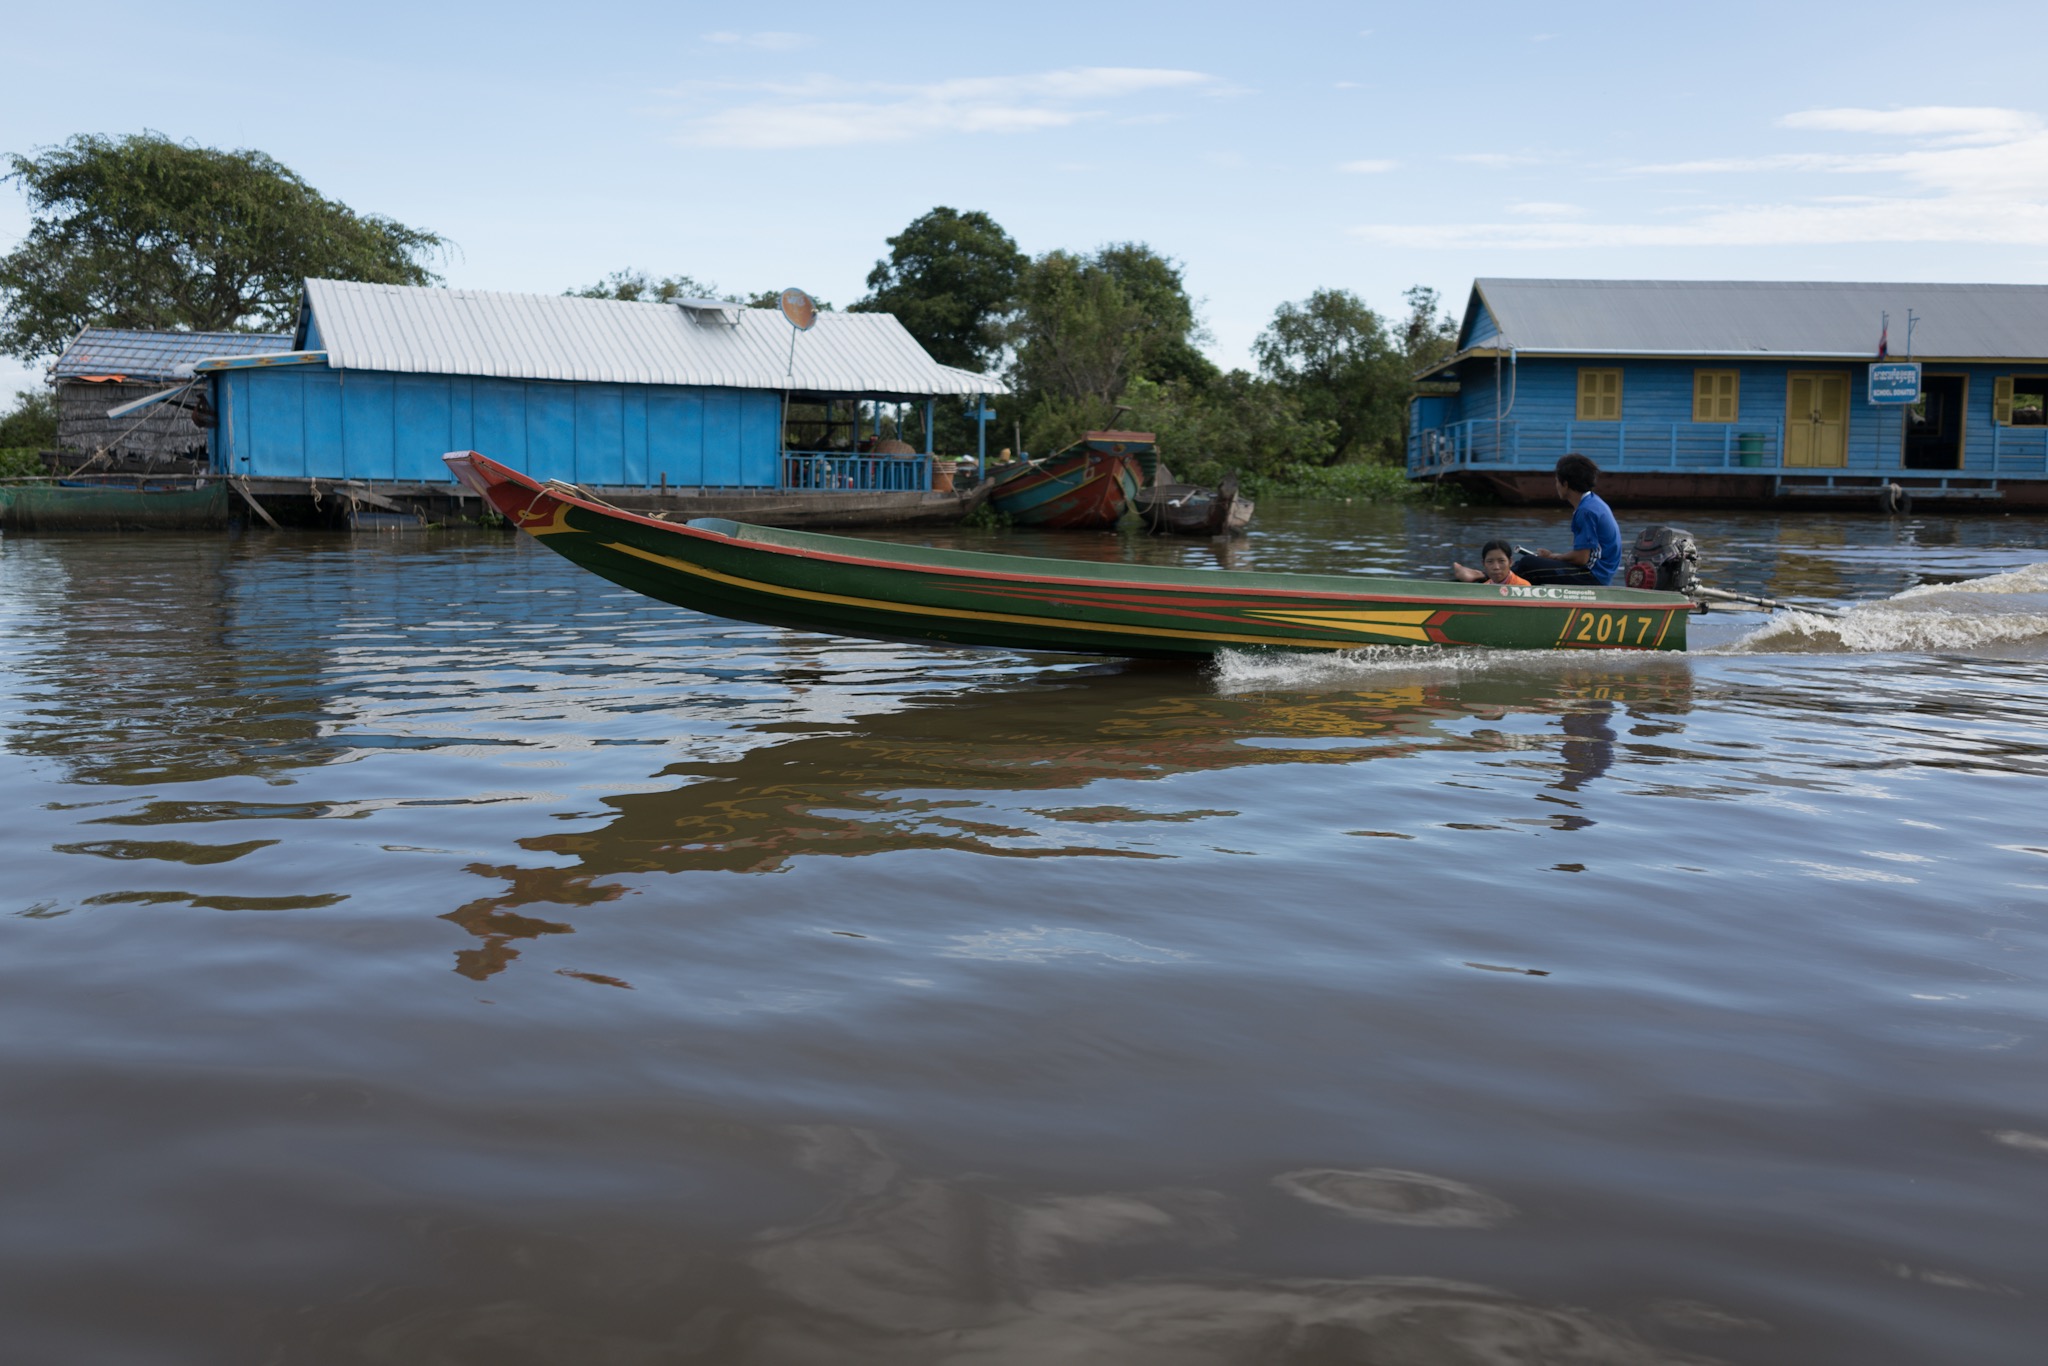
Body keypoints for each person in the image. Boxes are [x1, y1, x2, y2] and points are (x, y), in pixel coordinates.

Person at [1515, 453, 1621, 586]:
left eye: (1557, 481)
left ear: (1565, 484)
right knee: (1530, 563)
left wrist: (1553, 557)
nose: (1556, 485)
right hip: (1598, 573)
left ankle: (1494, 586)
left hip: (1593, 576)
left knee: (1527, 564)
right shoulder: (1593, 502)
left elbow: (1581, 558)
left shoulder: (1586, 511)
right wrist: (1551, 557)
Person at [1452, 538, 1530, 586]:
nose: (1496, 567)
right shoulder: (1484, 588)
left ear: (1510, 562)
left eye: (1501, 561)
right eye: (1490, 561)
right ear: (1483, 564)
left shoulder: (1523, 587)